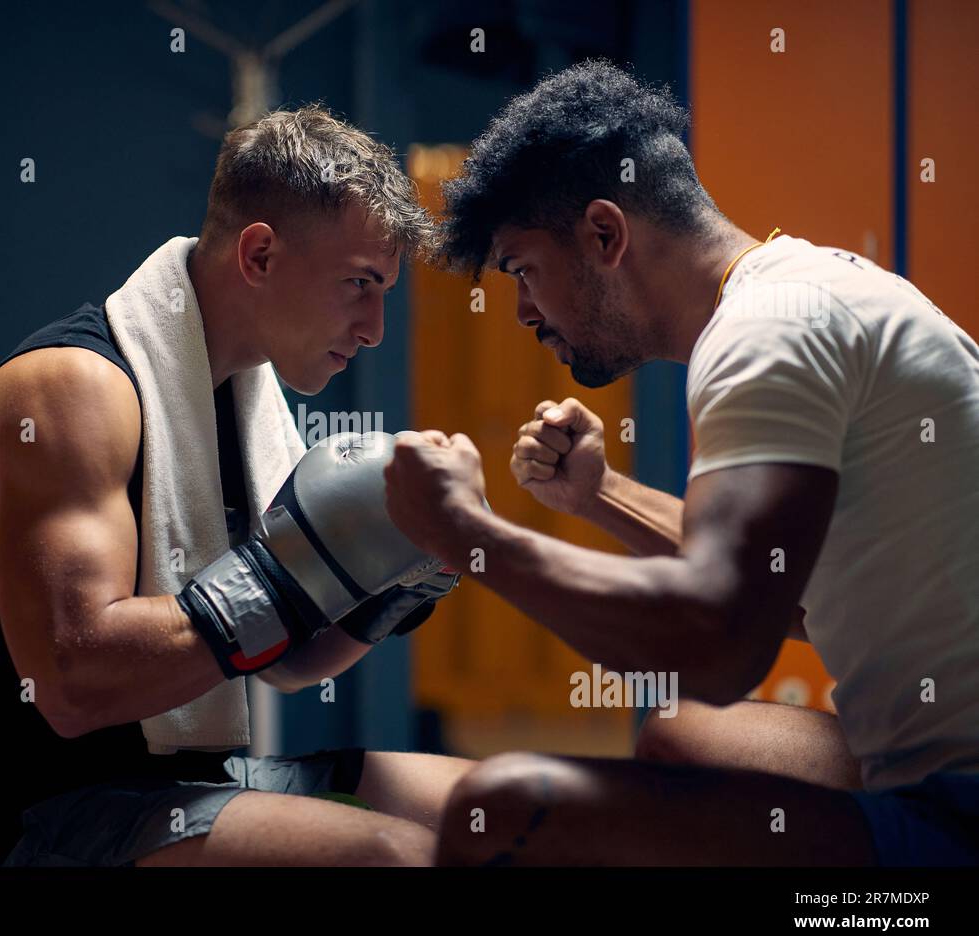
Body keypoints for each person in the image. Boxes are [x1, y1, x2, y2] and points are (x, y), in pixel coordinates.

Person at [382, 60, 979, 865]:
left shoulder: (765, 334)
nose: (522, 310)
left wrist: (465, 535)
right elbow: (789, 601)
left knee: (505, 811)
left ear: (604, 234)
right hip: (937, 767)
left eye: (524, 270)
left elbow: (719, 644)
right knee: (685, 735)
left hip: (958, 809)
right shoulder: (803, 290)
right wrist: (602, 496)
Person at [0, 106, 473, 867]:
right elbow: (73, 683)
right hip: (50, 820)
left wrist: (410, 569)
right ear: (258, 255)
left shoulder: (243, 398)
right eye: (359, 284)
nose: (375, 325)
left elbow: (286, 660)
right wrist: (293, 572)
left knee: (509, 812)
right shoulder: (69, 391)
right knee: (391, 855)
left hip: (197, 785)